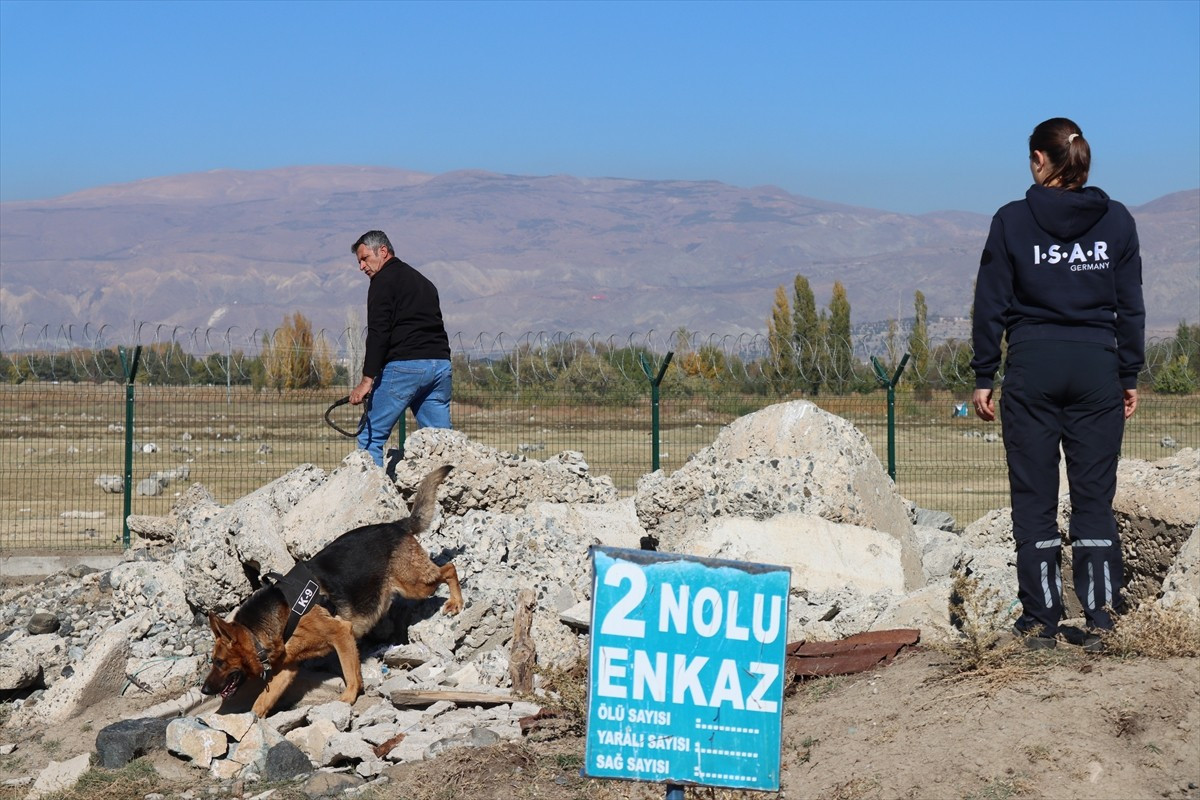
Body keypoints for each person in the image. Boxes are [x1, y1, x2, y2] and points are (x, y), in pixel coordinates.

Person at [970, 117, 1145, 651]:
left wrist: (984, 374)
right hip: (1096, 368)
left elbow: (990, 302)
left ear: (1039, 160)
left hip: (1033, 367)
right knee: (1094, 496)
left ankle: (1041, 621)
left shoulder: (1011, 220)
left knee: (1034, 497)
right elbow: (1131, 305)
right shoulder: (1117, 220)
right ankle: (1101, 617)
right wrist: (1128, 373)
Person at [348, 230, 452, 468]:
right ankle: (449, 489)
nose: (362, 267)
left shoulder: (382, 281)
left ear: (383, 251)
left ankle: (373, 491)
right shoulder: (424, 282)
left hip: (406, 367)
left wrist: (366, 380)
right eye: (359, 262)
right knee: (442, 443)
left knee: (370, 437)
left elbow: (378, 333)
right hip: (440, 366)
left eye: (365, 259)